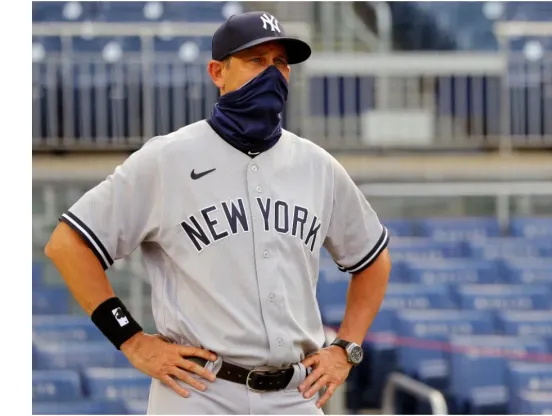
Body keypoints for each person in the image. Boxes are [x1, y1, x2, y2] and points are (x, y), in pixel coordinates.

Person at [44, 11, 391, 415]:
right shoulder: (168, 158)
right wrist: (132, 341)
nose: (272, 74)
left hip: (295, 394)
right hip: (201, 391)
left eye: (280, 63)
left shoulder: (317, 165)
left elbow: (373, 259)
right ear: (217, 72)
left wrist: (347, 348)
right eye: (256, 61)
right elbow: (67, 245)